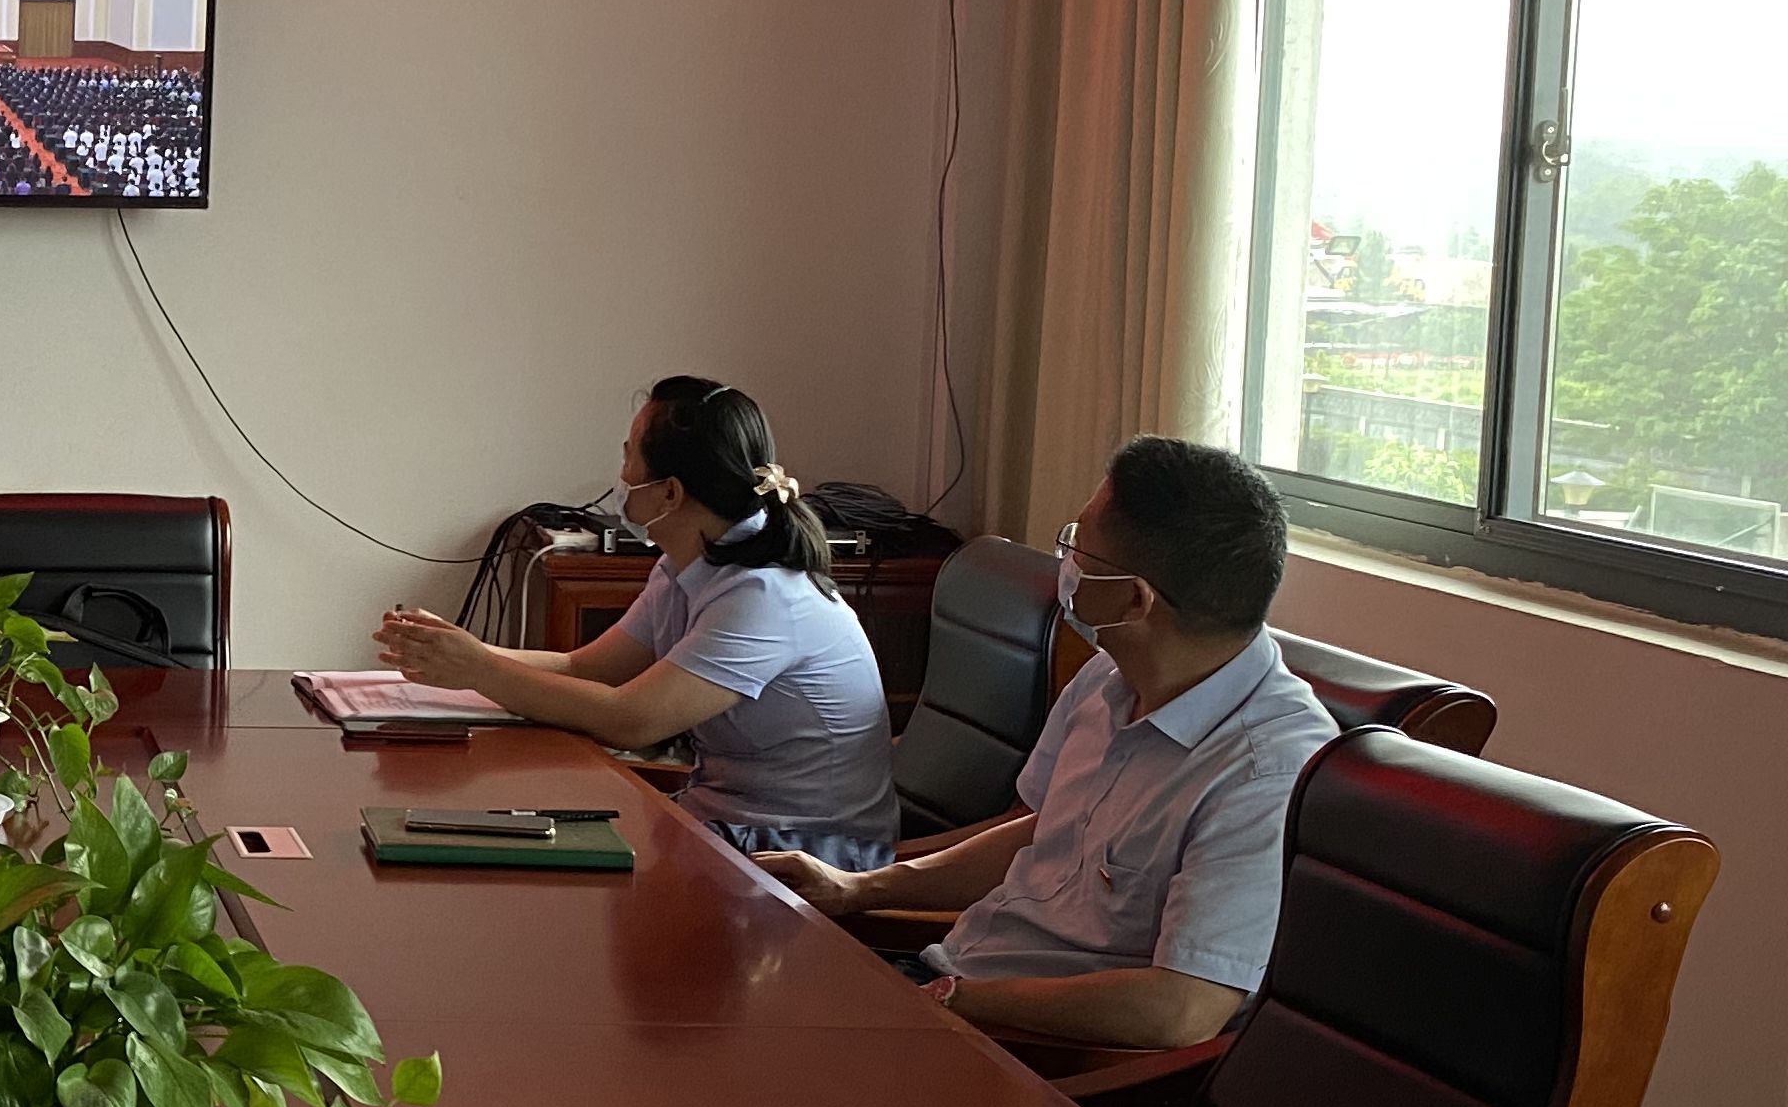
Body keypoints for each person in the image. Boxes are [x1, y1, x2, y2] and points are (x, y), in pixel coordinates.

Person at [754, 435, 1341, 1049]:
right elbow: (1043, 831)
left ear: (1134, 598)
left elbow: (1179, 1010)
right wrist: (859, 886)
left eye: (1077, 547)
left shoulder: (1267, 773)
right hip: (952, 983)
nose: (1066, 563)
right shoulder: (1109, 676)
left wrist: (951, 1002)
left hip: (1025, 1048)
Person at [377, 378, 897, 866]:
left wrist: (479, 670)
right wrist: (460, 650)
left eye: (629, 456)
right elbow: (585, 668)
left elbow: (632, 720)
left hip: (809, 853)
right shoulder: (682, 567)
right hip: (719, 823)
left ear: (670, 493)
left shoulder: (765, 597)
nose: (622, 476)